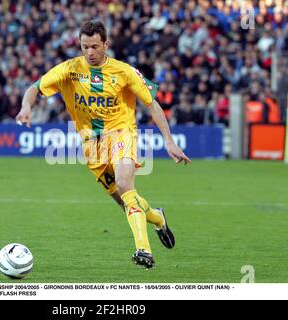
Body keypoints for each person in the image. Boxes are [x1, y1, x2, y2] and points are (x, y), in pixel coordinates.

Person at [16, 21, 191, 269]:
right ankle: (157, 217)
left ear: (106, 44)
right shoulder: (69, 69)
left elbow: (152, 103)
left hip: (122, 133)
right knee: (125, 202)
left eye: (95, 46)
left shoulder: (124, 71)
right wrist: (26, 107)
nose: (90, 52)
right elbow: (34, 88)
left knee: (124, 184)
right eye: (85, 46)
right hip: (92, 145)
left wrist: (169, 141)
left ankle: (144, 250)